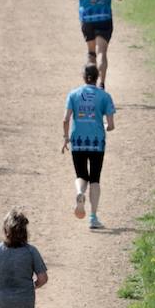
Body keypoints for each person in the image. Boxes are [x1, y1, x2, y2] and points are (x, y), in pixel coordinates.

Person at [63, 63, 116, 230]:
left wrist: (66, 138)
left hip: (77, 141)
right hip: (97, 142)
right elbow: (111, 124)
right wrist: (106, 126)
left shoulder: (73, 94)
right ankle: (93, 217)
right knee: (95, 179)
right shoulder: (105, 96)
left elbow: (65, 119)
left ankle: (80, 192)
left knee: (81, 175)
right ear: (97, 77)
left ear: (83, 77)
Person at [65, 0, 124, 87]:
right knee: (102, 52)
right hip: (104, 18)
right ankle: (102, 84)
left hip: (87, 18)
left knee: (91, 53)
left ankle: (91, 85)